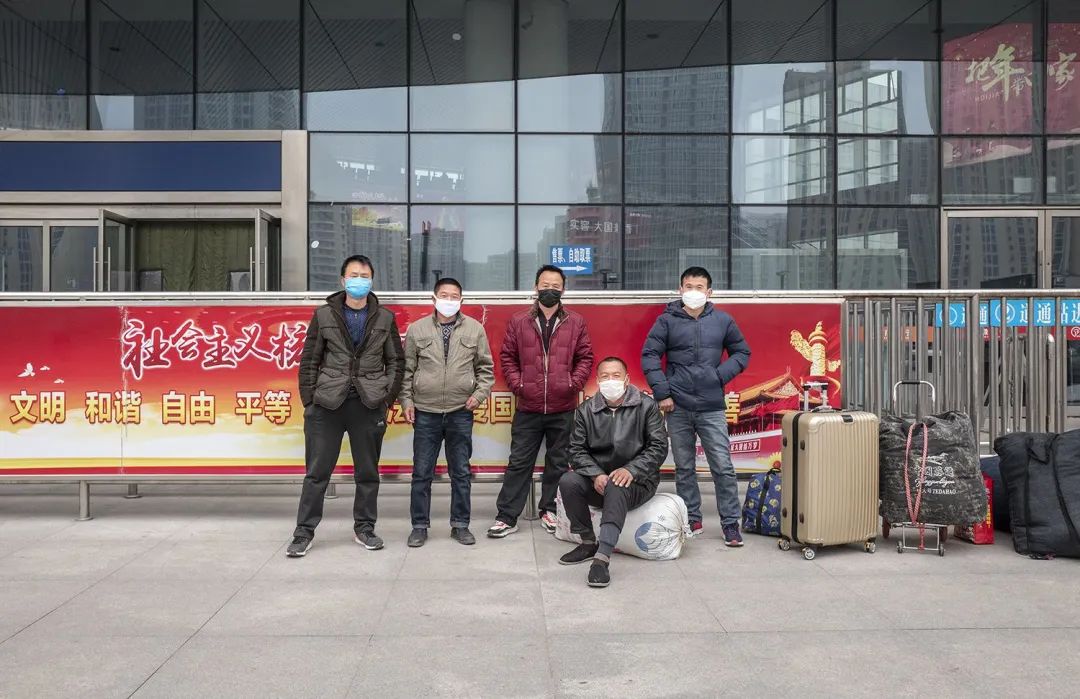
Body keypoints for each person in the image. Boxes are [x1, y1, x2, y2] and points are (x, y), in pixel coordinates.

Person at [287, 255, 405, 557]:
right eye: (354, 275)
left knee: (367, 473)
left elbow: (396, 361)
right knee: (317, 473)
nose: (359, 281)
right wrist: (310, 401)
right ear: (342, 280)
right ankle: (304, 532)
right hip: (327, 404)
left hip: (368, 403)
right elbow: (309, 359)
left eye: (364, 276)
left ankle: (365, 528)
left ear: (372, 280)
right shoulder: (324, 314)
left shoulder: (385, 317)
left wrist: (386, 399)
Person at [641, 266, 751, 546]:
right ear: (680, 289)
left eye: (699, 287)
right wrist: (663, 393)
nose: (693, 292)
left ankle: (730, 523)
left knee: (722, 466)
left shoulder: (723, 320)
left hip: (711, 405)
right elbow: (650, 355)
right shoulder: (666, 321)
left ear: (709, 292)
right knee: (684, 467)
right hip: (677, 405)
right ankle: (692, 517)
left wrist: (718, 376)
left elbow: (742, 352)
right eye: (688, 286)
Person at [487, 265, 594, 538]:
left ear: (563, 290)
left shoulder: (576, 321)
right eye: (545, 285)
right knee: (519, 462)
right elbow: (508, 357)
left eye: (556, 286)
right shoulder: (519, 320)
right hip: (528, 406)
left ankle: (550, 510)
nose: (550, 290)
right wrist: (519, 385)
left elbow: (585, 357)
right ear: (536, 287)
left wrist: (572, 384)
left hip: (563, 406)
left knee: (558, 463)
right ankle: (507, 516)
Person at [399, 278, 495, 547]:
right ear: (434, 298)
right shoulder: (417, 329)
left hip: (460, 410)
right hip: (425, 411)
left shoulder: (475, 329)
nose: (449, 300)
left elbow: (486, 369)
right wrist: (406, 401)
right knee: (421, 472)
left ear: (461, 300)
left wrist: (478, 395)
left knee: (461, 472)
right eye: (444, 295)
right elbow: (406, 370)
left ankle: (460, 525)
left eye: (454, 296)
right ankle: (419, 526)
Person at [558, 357, 668, 588]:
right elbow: (576, 450)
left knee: (617, 483)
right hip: (600, 481)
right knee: (569, 481)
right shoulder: (585, 410)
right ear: (598, 381)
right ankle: (588, 543)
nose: (611, 380)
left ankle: (602, 558)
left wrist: (631, 469)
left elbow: (658, 447)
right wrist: (595, 474)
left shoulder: (646, 406)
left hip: (638, 482)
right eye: (605, 376)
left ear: (626, 379)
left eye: (616, 376)